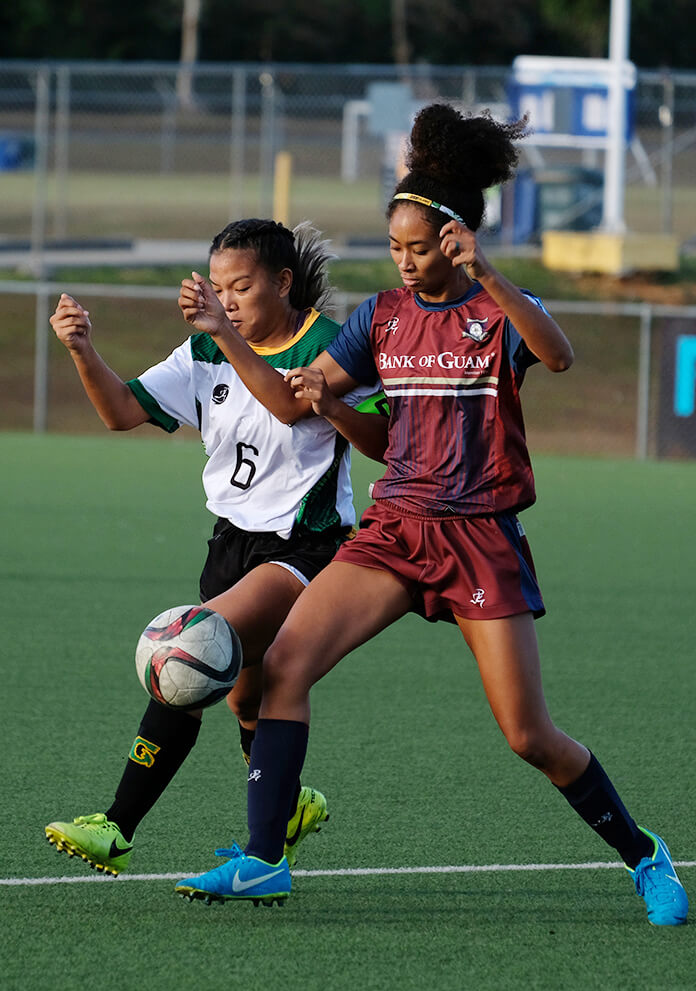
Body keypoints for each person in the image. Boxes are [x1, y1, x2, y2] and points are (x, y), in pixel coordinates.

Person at [172, 104, 689, 926]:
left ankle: (645, 854)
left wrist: (487, 275)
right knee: (284, 669)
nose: (405, 262)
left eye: (419, 247)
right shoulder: (379, 318)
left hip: (479, 536)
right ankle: (264, 861)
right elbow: (304, 408)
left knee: (528, 735)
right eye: (395, 248)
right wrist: (310, 392)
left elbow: (557, 353)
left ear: (456, 240)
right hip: (394, 531)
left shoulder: (492, 313)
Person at [45, 218, 387, 876]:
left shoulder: (328, 346)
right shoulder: (204, 352)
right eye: (219, 287)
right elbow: (119, 411)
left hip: (304, 547)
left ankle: (115, 827)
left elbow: (301, 411)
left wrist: (223, 334)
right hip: (229, 543)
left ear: (283, 283)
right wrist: (83, 349)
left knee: (192, 645)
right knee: (245, 699)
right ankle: (285, 810)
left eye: (243, 286)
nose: (227, 300)